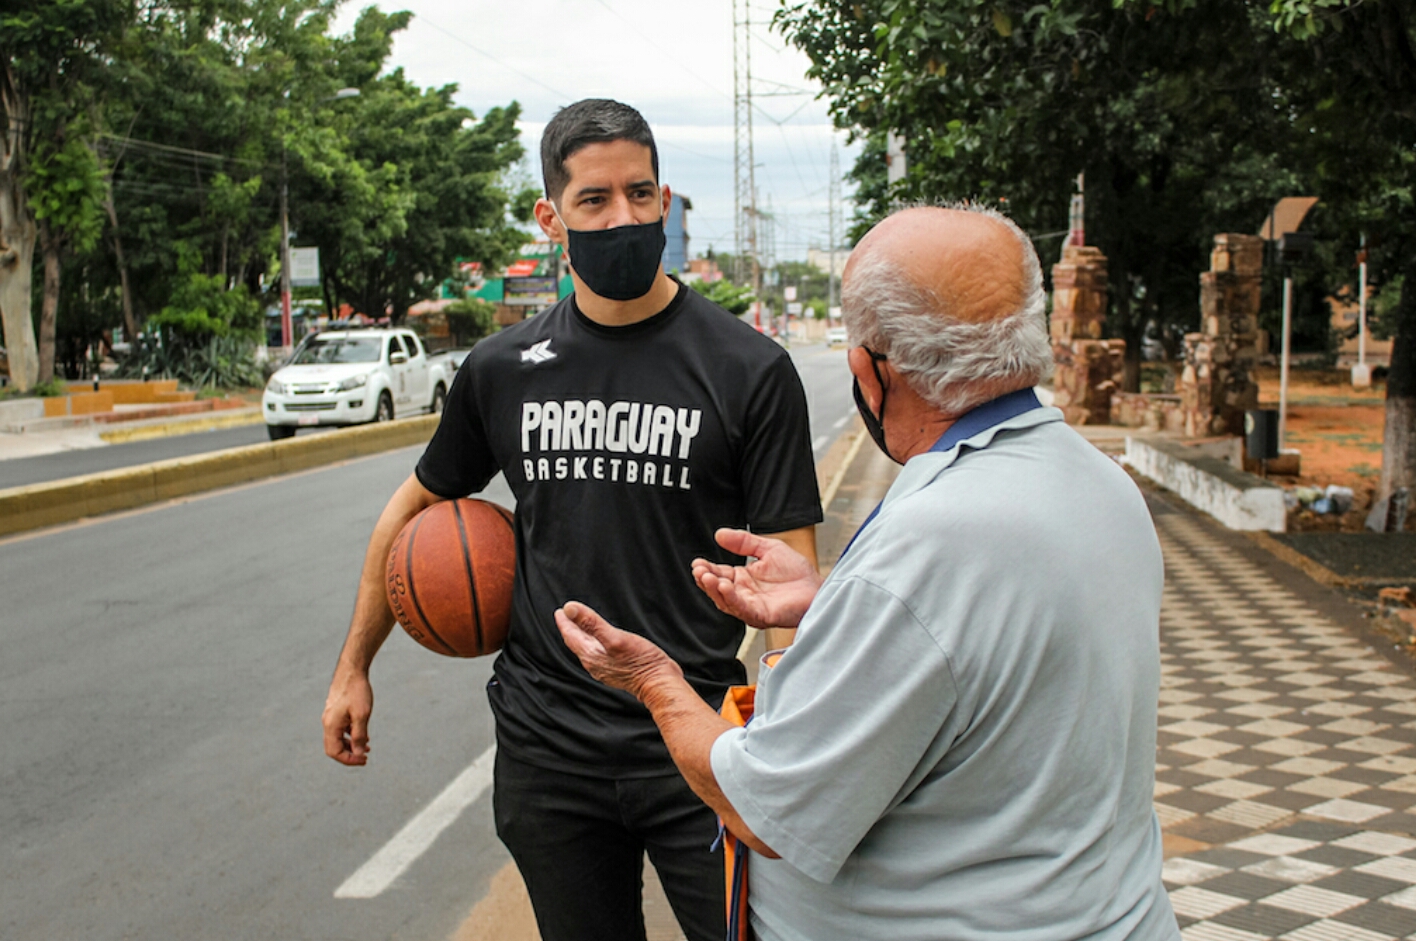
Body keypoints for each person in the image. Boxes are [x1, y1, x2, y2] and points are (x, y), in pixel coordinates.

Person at [558, 205, 1180, 941]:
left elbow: (764, 810)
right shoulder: (1098, 481)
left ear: (871, 370)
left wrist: (653, 680)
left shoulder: (931, 543)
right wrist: (837, 607)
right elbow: (990, 653)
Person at [321, 98, 823, 941]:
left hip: (696, 735)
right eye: (594, 200)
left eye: (640, 193)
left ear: (665, 200)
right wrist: (352, 668)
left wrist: (783, 740)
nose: (622, 216)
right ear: (551, 217)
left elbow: (790, 592)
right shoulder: (502, 369)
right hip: (547, 747)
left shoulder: (750, 369)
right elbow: (406, 518)